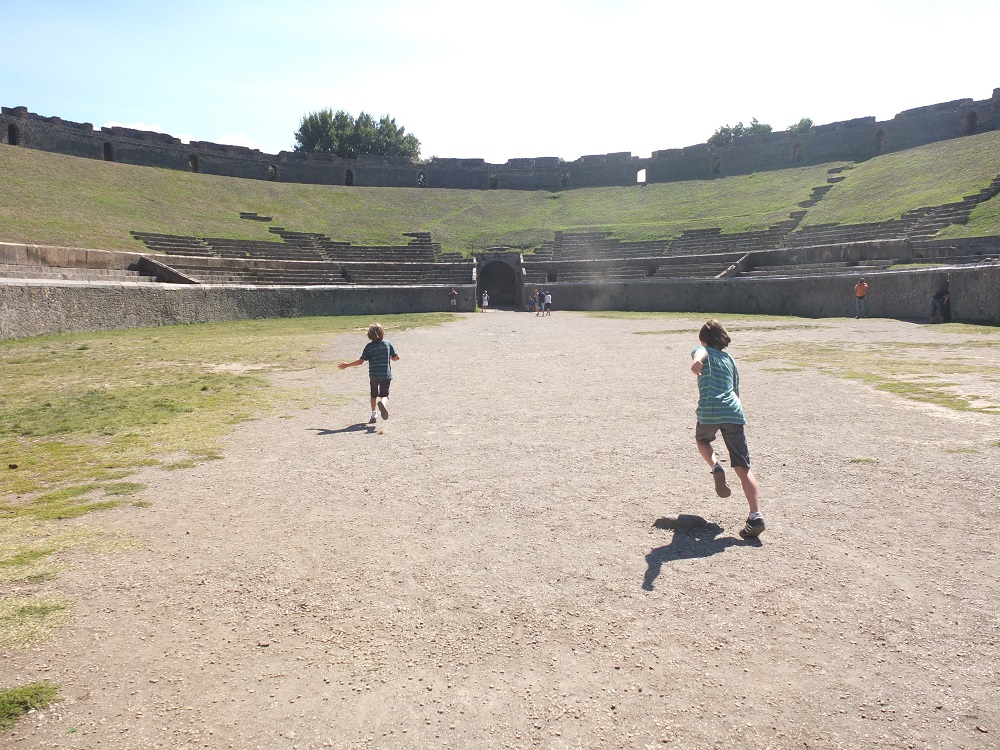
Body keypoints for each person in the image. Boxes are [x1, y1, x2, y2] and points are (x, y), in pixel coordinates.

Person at [690, 319, 764, 538]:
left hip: (710, 410)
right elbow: (736, 392)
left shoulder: (702, 351)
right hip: (733, 411)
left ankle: (715, 466)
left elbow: (701, 353)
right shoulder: (730, 360)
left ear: (704, 340)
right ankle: (755, 516)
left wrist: (697, 361)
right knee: (743, 467)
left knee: (702, 440)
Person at [338, 323, 400, 424]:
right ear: (382, 333)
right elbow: (396, 357)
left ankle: (374, 414)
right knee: (384, 395)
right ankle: (383, 403)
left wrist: (347, 365)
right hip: (385, 374)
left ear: (369, 335)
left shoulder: (369, 347)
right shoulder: (387, 344)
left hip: (374, 375)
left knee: (373, 394)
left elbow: (360, 361)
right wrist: (393, 357)